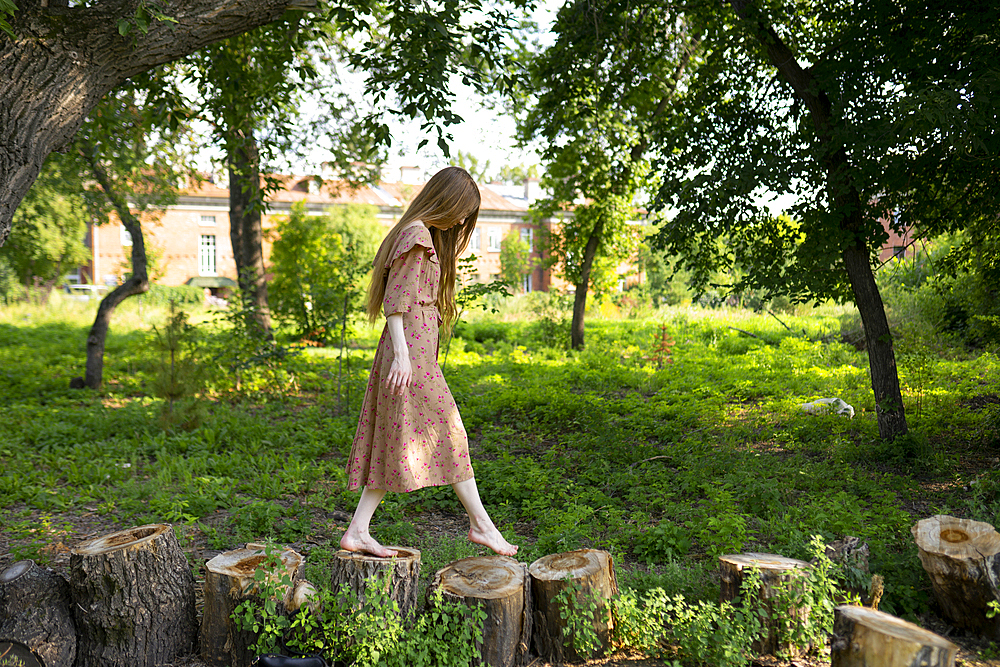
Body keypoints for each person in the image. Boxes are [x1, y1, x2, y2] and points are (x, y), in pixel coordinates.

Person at [339, 166, 518, 559]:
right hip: (410, 356)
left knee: (396, 436)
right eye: (461, 211)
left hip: (415, 354)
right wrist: (403, 355)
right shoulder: (417, 236)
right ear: (446, 199)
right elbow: (396, 301)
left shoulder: (419, 234)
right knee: (451, 433)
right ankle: (482, 525)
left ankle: (357, 529)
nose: (460, 221)